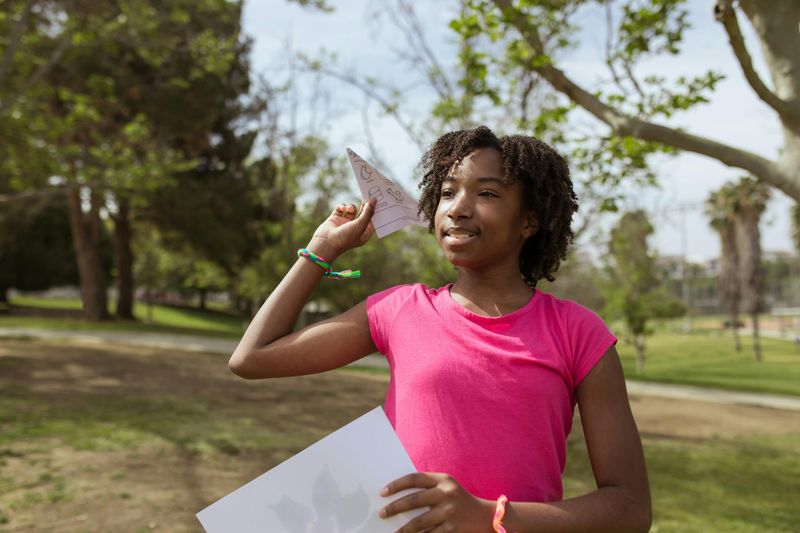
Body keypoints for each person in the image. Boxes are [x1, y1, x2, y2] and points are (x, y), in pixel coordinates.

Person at [229, 126, 651, 532]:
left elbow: (630, 508)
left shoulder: (579, 333)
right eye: (447, 193)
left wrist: (490, 517)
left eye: (486, 193)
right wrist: (321, 250)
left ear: (529, 221)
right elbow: (252, 357)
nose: (457, 208)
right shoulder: (399, 310)